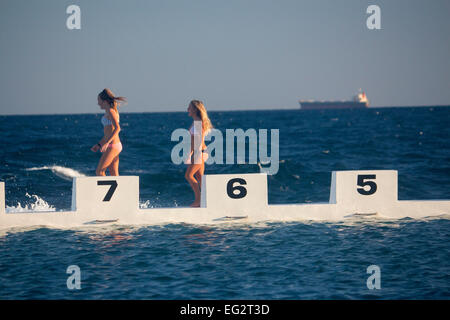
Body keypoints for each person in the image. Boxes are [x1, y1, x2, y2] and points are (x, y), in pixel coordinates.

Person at [91, 88, 126, 176]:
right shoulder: (108, 112)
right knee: (114, 174)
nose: (98, 103)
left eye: (99, 100)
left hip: (113, 146)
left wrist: (107, 143)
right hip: (114, 145)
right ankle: (119, 190)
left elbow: (117, 128)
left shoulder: (111, 111)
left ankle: (104, 190)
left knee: (99, 172)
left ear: (105, 101)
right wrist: (99, 144)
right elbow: (108, 134)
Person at [184, 100, 213, 207]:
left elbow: (198, 141)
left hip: (199, 152)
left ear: (195, 109)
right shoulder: (196, 122)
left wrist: (191, 154)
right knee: (200, 177)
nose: (187, 109)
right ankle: (206, 200)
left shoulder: (198, 124)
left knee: (189, 175)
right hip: (200, 152)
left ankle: (198, 200)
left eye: (189, 107)